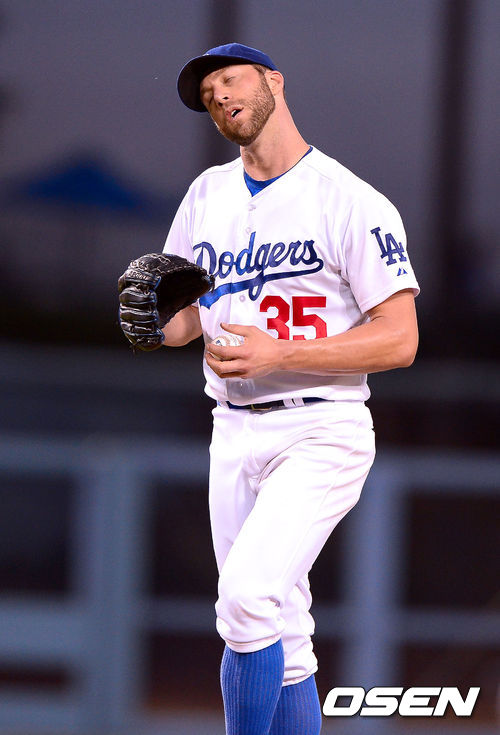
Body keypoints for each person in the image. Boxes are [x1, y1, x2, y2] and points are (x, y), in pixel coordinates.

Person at [163, 43, 419, 735]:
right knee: (282, 634)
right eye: (208, 93)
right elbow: (182, 322)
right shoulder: (205, 195)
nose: (219, 95)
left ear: (273, 81)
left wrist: (283, 352)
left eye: (230, 79)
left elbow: (400, 339)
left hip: (320, 428)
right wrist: (154, 320)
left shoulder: (349, 199)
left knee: (246, 600)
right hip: (231, 427)